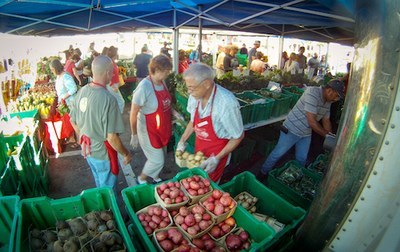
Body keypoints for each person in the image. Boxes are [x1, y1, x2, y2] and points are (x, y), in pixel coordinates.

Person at [258, 79, 345, 178]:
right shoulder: (313, 93)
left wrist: (331, 136)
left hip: (306, 133)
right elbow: (312, 121)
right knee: (278, 153)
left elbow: (326, 120)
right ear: (330, 91)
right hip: (291, 129)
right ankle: (262, 173)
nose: (337, 99)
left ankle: (295, 177)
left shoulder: (328, 102)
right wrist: (328, 136)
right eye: (337, 96)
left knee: (302, 158)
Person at [70, 55, 132, 191]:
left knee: (99, 187)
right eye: (112, 71)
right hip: (103, 155)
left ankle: (102, 209)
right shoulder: (109, 100)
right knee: (108, 193)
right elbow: (112, 138)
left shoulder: (82, 91)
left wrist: (82, 136)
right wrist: (126, 153)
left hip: (88, 151)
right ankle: (109, 212)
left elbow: (72, 120)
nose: (113, 74)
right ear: (108, 73)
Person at [176, 63, 244, 182]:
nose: (189, 91)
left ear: (206, 84)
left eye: (191, 87)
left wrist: (216, 159)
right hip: (201, 149)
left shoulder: (226, 103)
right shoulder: (195, 96)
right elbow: (193, 121)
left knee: (210, 185)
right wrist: (182, 141)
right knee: (197, 180)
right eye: (188, 87)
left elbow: (238, 136)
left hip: (218, 153)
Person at [130, 55, 173, 185]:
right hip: (148, 129)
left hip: (162, 126)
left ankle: (155, 177)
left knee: (162, 155)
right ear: (156, 70)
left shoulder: (162, 82)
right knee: (157, 159)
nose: (167, 74)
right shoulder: (144, 87)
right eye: (165, 72)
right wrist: (134, 134)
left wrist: (175, 114)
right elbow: (133, 112)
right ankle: (141, 179)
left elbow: (166, 103)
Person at [50, 58, 78, 148]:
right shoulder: (59, 77)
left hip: (70, 103)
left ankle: (81, 141)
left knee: (75, 123)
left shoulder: (66, 76)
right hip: (65, 103)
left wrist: (63, 98)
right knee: (70, 122)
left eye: (52, 69)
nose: (52, 71)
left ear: (56, 68)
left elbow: (73, 88)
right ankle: (73, 139)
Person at [106, 46, 125, 113]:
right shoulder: (110, 63)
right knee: (121, 101)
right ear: (115, 54)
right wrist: (112, 85)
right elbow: (107, 74)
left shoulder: (112, 62)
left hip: (114, 85)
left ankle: (114, 117)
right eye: (117, 52)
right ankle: (118, 118)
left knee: (113, 102)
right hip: (112, 85)